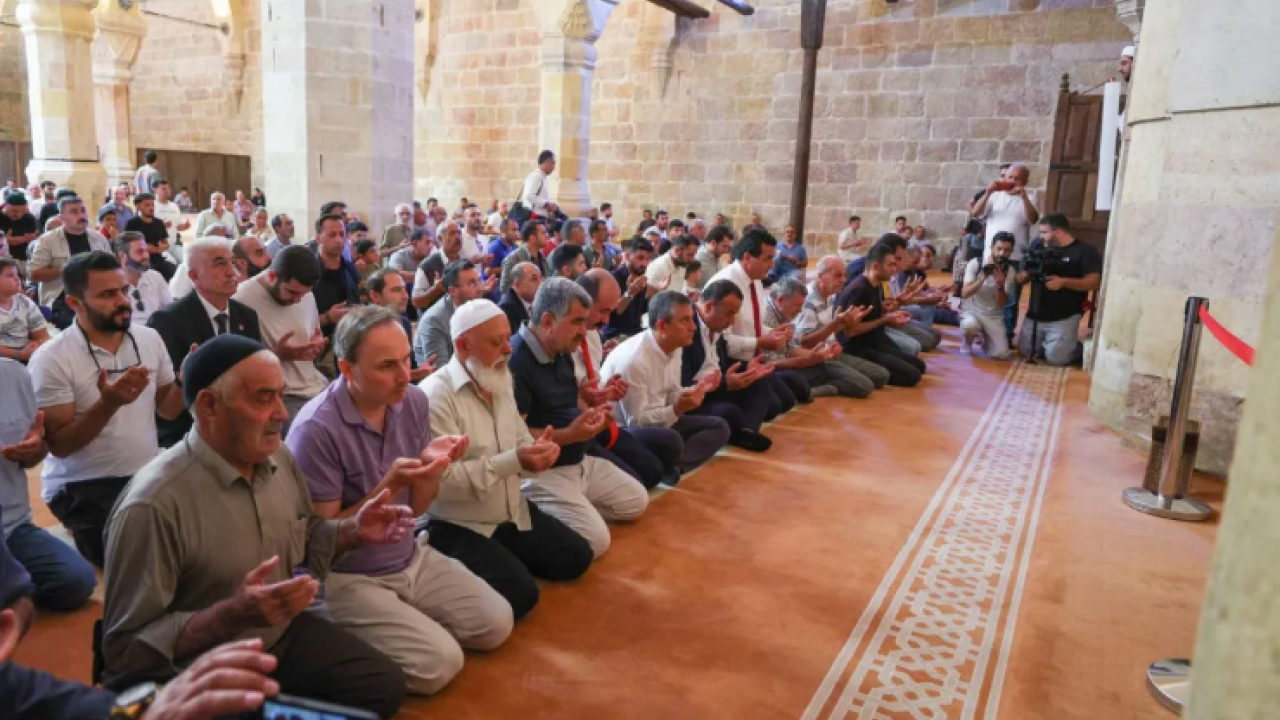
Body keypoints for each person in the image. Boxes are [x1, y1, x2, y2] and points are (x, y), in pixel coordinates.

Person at [102, 335, 413, 718]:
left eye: (281, 395)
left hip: (274, 634)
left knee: (381, 687)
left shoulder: (278, 456)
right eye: (264, 398)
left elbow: (306, 535)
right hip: (197, 668)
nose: (282, 413)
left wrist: (352, 531)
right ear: (209, 405)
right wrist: (229, 616)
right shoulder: (152, 505)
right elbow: (123, 652)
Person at [287, 307, 512, 695]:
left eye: (406, 359)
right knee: (440, 664)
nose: (405, 375)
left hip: (408, 556)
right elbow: (319, 540)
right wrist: (388, 485)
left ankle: (396, 617)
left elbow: (418, 508)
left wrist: (431, 469)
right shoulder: (316, 429)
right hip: (347, 575)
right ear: (347, 368)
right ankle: (334, 625)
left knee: (496, 623)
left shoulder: (412, 401)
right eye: (387, 365)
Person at [421, 299, 594, 620]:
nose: (508, 349)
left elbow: (519, 438)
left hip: (509, 510)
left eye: (507, 338)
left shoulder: (496, 376)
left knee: (576, 558)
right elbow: (441, 483)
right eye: (496, 342)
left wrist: (539, 451)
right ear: (462, 345)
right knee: (521, 595)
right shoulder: (434, 396)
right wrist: (515, 460)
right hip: (459, 521)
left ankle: (499, 558)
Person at [29, 252, 186, 567]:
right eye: (107, 295)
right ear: (74, 303)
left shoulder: (148, 338)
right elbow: (61, 446)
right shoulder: (52, 358)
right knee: (137, 562)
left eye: (124, 290)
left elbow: (168, 411)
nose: (123, 301)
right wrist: (109, 404)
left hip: (146, 472)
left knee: (199, 541)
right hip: (82, 484)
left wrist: (187, 379)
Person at [509, 278, 650, 557]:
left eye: (585, 321)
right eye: (577, 322)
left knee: (636, 501)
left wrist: (590, 404)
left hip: (577, 460)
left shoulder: (560, 348)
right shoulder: (516, 362)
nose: (584, 332)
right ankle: (533, 506)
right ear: (548, 321)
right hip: (542, 473)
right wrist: (570, 435)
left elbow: (567, 398)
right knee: (596, 542)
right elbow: (514, 437)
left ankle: (570, 504)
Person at [575, 269, 686, 488]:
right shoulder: (563, 343)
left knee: (652, 470)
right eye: (603, 311)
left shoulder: (592, 335)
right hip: (583, 430)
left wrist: (606, 391)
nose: (607, 320)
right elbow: (635, 420)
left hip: (602, 424)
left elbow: (592, 390)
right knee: (648, 472)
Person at [1, 358, 97, 611]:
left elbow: (37, 452)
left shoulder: (14, 374)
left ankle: (12, 593)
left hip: (11, 527)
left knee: (76, 581)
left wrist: (34, 449)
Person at [148, 236, 263, 447]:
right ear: (194, 276)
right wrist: (185, 377)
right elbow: (165, 408)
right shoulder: (168, 321)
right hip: (187, 430)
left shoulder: (246, 316)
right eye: (220, 264)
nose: (232, 272)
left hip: (239, 421)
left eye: (232, 262)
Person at [602, 289, 735, 465]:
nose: (694, 327)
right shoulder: (633, 360)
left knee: (720, 426)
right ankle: (671, 462)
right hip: (628, 431)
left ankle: (676, 464)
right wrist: (677, 409)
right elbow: (635, 422)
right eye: (685, 320)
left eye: (692, 319)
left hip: (661, 421)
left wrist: (697, 389)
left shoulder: (675, 346)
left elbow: (671, 392)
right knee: (671, 439)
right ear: (662, 326)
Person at [231, 246, 329, 428]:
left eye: (304, 293)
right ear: (271, 276)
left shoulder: (303, 293)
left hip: (315, 385)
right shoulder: (242, 300)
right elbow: (238, 368)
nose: (298, 300)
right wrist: (276, 354)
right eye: (292, 292)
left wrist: (315, 346)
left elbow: (313, 334)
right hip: (281, 395)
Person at [706, 228, 801, 410]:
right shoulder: (725, 285)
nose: (772, 265)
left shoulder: (755, 280)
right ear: (748, 257)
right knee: (773, 405)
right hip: (729, 364)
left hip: (753, 359)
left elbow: (753, 325)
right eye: (767, 259)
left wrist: (773, 333)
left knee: (789, 396)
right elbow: (721, 342)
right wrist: (761, 342)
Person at [763, 277, 876, 399]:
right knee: (862, 384)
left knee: (866, 383)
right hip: (778, 373)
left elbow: (790, 350)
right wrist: (807, 360)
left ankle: (809, 389)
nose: (800, 311)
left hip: (795, 365)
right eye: (797, 305)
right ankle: (810, 391)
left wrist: (822, 355)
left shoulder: (783, 313)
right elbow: (770, 365)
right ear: (780, 300)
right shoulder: (766, 317)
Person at [834, 241, 926, 387]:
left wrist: (893, 305)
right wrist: (884, 319)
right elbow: (851, 331)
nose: (894, 269)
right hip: (857, 348)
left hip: (874, 340)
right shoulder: (859, 290)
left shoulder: (874, 284)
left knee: (920, 366)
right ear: (876, 266)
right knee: (912, 376)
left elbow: (871, 313)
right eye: (890, 265)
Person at [1015, 214, 1101, 365]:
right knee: (1025, 352)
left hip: (1065, 315)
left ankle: (1076, 346)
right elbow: (1020, 278)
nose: (1040, 236)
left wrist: (1064, 282)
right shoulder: (1037, 246)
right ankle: (1052, 343)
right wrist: (1025, 274)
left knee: (1057, 359)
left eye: (1044, 232)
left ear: (1059, 232)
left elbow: (1094, 283)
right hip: (1035, 314)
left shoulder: (1084, 251)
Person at [795, 256, 890, 391]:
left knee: (881, 375)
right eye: (838, 276)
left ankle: (823, 382)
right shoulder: (808, 300)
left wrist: (845, 325)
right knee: (864, 386)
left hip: (832, 353)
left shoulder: (830, 296)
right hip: (816, 358)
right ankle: (813, 389)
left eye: (844, 275)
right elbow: (804, 343)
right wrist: (835, 324)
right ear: (821, 276)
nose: (844, 280)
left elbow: (835, 332)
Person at [972, 162, 1039, 346]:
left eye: (1017, 178)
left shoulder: (1030, 196)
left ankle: (1006, 336)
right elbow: (975, 213)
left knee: (1010, 299)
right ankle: (985, 333)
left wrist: (1023, 197)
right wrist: (987, 193)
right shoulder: (994, 196)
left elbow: (1033, 219)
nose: (1012, 181)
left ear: (1025, 181)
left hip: (1015, 257)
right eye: (1010, 177)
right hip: (991, 255)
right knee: (987, 294)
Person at [27, 195, 112, 308]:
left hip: (96, 293)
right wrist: (69, 268)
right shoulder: (47, 240)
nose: (81, 215)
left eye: (83, 210)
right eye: (74, 212)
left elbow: (112, 266)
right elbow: (34, 275)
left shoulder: (98, 238)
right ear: (62, 218)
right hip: (60, 296)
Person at [415, 259, 485, 367]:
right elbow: (440, 370)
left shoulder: (477, 308)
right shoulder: (434, 320)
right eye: (472, 283)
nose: (480, 288)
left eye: (479, 281)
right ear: (453, 291)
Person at [959, 232, 1016, 360]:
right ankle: (967, 341)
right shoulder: (976, 263)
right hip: (972, 312)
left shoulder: (1010, 271)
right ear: (991, 248)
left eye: (1006, 250)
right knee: (970, 325)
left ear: (1011, 252)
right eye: (999, 249)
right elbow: (965, 293)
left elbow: (1001, 304)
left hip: (993, 315)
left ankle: (986, 343)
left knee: (1001, 354)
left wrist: (1000, 285)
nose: (1002, 253)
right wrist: (983, 277)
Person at [311, 214, 361, 342]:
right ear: (318, 238)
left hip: (351, 337)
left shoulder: (350, 268)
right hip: (321, 342)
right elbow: (297, 319)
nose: (339, 240)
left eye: (342, 234)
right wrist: (327, 317)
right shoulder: (309, 273)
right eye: (332, 235)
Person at [114, 231, 172, 327]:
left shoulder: (155, 277)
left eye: (146, 251)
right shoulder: (113, 285)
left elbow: (169, 310)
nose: (146, 256)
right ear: (122, 256)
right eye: (140, 252)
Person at [0, 259, 50, 363]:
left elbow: (43, 335)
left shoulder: (25, 302)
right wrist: (18, 354)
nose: (17, 279)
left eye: (17, 274)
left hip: (27, 355)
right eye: (10, 275)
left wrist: (38, 345)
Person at [412, 221, 469, 311]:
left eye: (459, 233)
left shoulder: (464, 261)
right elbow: (416, 302)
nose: (457, 237)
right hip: (438, 317)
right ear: (439, 238)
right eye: (452, 233)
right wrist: (436, 289)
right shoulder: (427, 266)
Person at [123, 192, 179, 280]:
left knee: (177, 272)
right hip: (140, 260)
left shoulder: (159, 223)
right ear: (138, 206)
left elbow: (165, 243)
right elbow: (126, 244)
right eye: (147, 205)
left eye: (152, 205)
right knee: (150, 276)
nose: (151, 208)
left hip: (158, 259)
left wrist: (159, 248)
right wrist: (144, 247)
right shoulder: (132, 223)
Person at [499, 220, 550, 295]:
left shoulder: (542, 257)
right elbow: (505, 290)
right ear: (532, 238)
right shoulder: (513, 259)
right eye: (543, 233)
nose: (547, 236)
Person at [0, 193, 38, 272]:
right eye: (14, 211)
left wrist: (13, 240)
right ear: (5, 206)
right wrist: (6, 241)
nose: (18, 215)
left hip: (25, 259)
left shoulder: (29, 218)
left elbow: (34, 237)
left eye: (23, 211)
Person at [500, 261, 540, 333]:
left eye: (541, 278)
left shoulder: (536, 300)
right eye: (534, 279)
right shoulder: (507, 308)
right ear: (517, 285)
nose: (540, 283)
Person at [519, 150, 559, 221]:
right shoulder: (536, 176)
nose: (554, 167)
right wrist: (546, 204)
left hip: (539, 216)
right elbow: (529, 195)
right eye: (553, 163)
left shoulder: (542, 176)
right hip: (535, 217)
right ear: (547, 162)